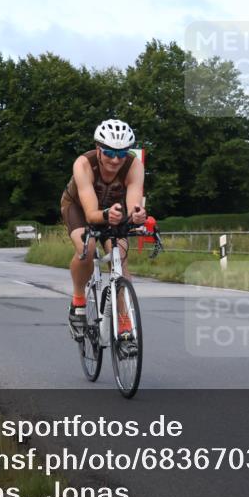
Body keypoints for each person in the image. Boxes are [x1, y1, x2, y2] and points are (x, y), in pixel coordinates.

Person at [60, 119, 146, 344]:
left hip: (115, 210)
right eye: (109, 152)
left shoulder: (134, 165)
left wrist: (136, 214)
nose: (116, 160)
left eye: (122, 153)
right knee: (86, 248)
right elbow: (91, 214)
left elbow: (135, 200)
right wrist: (107, 215)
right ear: (98, 149)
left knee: (120, 257)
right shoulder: (83, 164)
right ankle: (78, 300)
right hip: (79, 208)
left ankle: (125, 326)